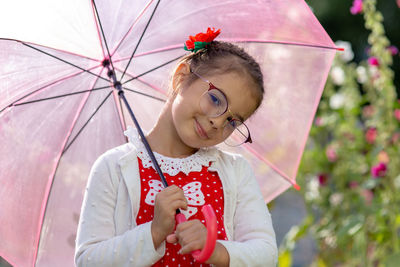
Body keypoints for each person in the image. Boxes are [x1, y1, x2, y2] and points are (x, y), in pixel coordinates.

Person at [74, 28, 278, 267]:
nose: (217, 122)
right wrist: (154, 231)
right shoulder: (113, 168)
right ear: (181, 77)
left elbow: (266, 254)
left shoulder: (235, 172)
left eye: (233, 121)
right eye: (215, 100)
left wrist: (216, 250)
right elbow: (88, 260)